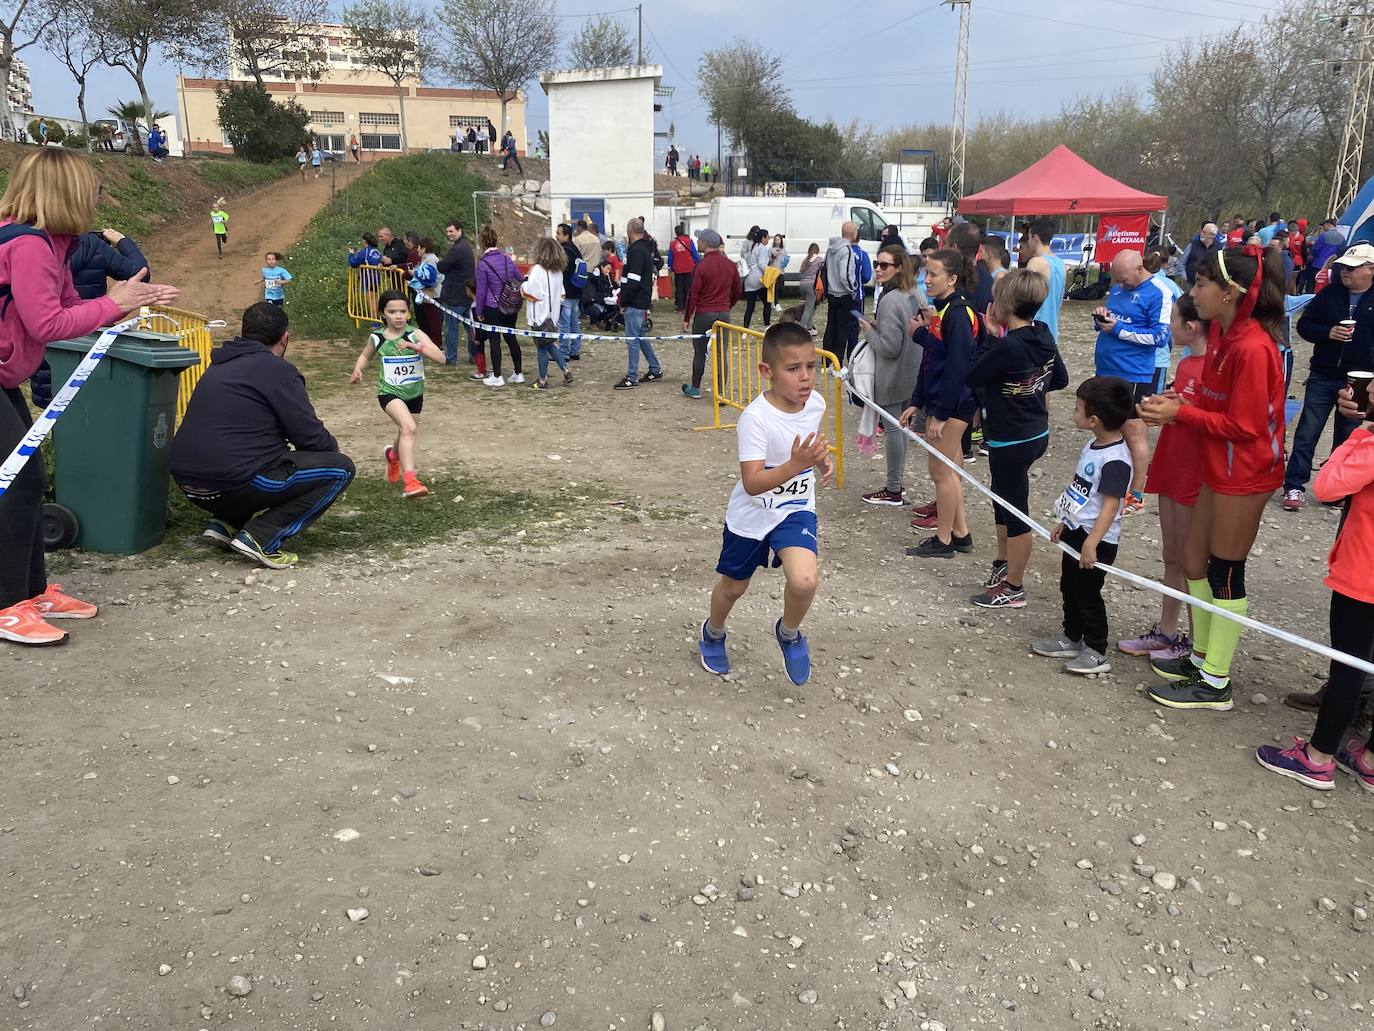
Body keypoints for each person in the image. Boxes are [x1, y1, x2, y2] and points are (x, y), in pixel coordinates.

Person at [0, 149, 176, 645]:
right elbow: (50, 325)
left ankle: (29, 591)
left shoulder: (58, 244)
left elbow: (76, 308)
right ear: (67, 192)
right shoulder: (29, 244)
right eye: (91, 189)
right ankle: (6, 604)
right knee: (17, 482)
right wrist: (113, 302)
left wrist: (128, 302)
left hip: (6, 376)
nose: (97, 199)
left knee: (27, 479)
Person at [1139, 244, 1288, 712]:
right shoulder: (1225, 337)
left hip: (1245, 472)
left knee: (1225, 571)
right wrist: (1178, 407)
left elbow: (1245, 428)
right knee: (1191, 558)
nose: (1193, 294)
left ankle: (1216, 680)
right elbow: (1217, 408)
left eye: (1201, 284)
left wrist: (1183, 414)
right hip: (1217, 466)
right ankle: (1200, 657)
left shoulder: (1253, 347)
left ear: (1230, 292)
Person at [697, 321, 834, 686]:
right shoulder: (755, 419)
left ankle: (789, 633)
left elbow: (808, 439)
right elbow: (753, 482)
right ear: (766, 371)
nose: (806, 377)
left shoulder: (815, 403)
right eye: (793, 369)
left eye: (811, 366)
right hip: (752, 515)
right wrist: (796, 465)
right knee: (733, 587)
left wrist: (819, 458)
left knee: (805, 580)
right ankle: (713, 632)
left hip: (795, 508)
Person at [170, 301, 352, 567]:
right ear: (285, 337)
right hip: (232, 481)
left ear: (244, 332)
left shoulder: (219, 365)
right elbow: (309, 436)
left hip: (189, 483)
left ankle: (225, 524)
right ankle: (262, 536)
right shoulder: (278, 371)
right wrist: (331, 451)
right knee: (340, 469)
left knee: (254, 455)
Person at [1255, 408, 1374, 791]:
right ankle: (1369, 759)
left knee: (1348, 667)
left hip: (1364, 574)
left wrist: (1358, 434)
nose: (1369, 386)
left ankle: (1317, 757)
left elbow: (1327, 488)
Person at [965, 269, 1069, 608]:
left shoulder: (1008, 345)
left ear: (1003, 305)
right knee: (1001, 498)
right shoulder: (1043, 332)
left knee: (1016, 511)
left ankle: (1014, 587)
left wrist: (992, 336)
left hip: (1012, 439)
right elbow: (1060, 378)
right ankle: (1002, 561)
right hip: (1035, 430)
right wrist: (1031, 389)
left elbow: (974, 375)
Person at [1117, 295, 1210, 662]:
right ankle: (1167, 632)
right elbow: (1186, 407)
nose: (1168, 326)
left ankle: (1197, 641)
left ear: (1191, 326)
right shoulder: (1188, 364)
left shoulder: (1216, 366)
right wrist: (1168, 405)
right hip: (1173, 460)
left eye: (1172, 320)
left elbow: (1212, 420)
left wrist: (1179, 413)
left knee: (1192, 560)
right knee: (1171, 554)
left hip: (1194, 468)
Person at [1030, 376, 1135, 675]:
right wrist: (1065, 522)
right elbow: (1081, 493)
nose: (1072, 414)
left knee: (1088, 594)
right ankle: (1071, 637)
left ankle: (1096, 650)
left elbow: (1111, 506)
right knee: (1069, 587)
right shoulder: (1094, 444)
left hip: (1097, 540)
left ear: (1093, 419)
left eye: (1077, 409)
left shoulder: (1116, 459)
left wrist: (1092, 543)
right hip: (1077, 531)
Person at [1282, 243, 1374, 511]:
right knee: (1308, 431)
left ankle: (1334, 489)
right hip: (1323, 373)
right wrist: (1327, 332)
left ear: (1370, 270)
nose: (1345, 272)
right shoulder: (1329, 294)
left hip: (1359, 379)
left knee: (1346, 436)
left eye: (1353, 268)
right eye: (1343, 267)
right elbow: (1304, 325)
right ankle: (1294, 486)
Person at [901, 248, 980, 558]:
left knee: (940, 470)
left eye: (933, 274)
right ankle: (960, 533)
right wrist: (917, 401)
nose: (926, 279)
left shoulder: (959, 314)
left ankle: (944, 540)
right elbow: (932, 361)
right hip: (942, 402)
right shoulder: (942, 310)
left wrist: (941, 413)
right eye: (925, 274)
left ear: (953, 278)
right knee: (950, 469)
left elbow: (958, 368)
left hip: (955, 404)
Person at [1091, 250, 1172, 514]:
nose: (1121, 285)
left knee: (1133, 432)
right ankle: (1109, 484)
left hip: (1134, 373)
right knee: (1106, 428)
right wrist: (1102, 318)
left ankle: (1136, 494)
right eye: (1118, 280)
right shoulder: (1118, 287)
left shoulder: (1158, 291)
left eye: (1125, 280)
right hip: (1106, 367)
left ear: (1140, 269)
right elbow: (1114, 317)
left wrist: (1118, 330)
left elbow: (1159, 337)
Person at [349, 290, 445, 498]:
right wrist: (358, 369)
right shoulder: (377, 338)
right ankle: (410, 481)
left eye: (402, 311)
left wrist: (415, 347)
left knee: (405, 431)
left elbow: (441, 358)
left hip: (415, 394)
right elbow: (365, 355)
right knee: (409, 427)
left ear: (408, 313)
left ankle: (393, 456)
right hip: (389, 393)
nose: (398, 316)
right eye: (392, 312)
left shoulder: (415, 334)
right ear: (382, 314)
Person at [857, 246, 923, 508]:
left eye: (885, 265)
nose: (878, 269)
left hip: (893, 373)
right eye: (877, 264)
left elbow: (889, 347)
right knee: (903, 428)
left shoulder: (889, 299)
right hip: (914, 371)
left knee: (894, 429)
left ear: (899, 268)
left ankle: (893, 489)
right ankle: (896, 485)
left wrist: (869, 332)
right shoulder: (915, 293)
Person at [681, 229, 741, 399]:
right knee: (721, 352)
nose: (697, 242)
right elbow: (737, 289)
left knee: (700, 352)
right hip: (723, 313)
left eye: (699, 240)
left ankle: (695, 388)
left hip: (704, 314)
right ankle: (721, 393)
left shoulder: (701, 266)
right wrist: (728, 305)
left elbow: (693, 294)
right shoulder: (730, 265)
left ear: (705, 244)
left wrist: (687, 318)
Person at [614, 217, 662, 389]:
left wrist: (623, 301)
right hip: (642, 300)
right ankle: (655, 368)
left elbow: (632, 281)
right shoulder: (645, 249)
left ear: (629, 232)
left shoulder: (636, 252)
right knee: (641, 337)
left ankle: (632, 376)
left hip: (635, 301)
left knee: (632, 339)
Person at [473, 224, 523, 387]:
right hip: (509, 304)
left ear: (482, 243)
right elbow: (519, 277)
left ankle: (497, 375)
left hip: (492, 306)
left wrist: (479, 311)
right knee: (511, 338)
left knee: (494, 341)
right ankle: (518, 372)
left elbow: (480, 292)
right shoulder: (507, 259)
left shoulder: (483, 264)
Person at [523, 236, 572, 390]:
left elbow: (530, 292)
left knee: (542, 347)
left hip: (539, 315)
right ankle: (566, 370)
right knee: (549, 344)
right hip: (553, 316)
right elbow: (562, 295)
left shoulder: (537, 270)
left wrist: (524, 282)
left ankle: (542, 380)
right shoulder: (559, 272)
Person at [436, 220, 476, 368]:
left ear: (460, 230)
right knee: (470, 328)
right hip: (466, 294)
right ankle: (474, 355)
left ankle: (451, 357)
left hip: (456, 296)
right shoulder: (465, 246)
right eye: (447, 232)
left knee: (451, 328)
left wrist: (440, 262)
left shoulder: (458, 249)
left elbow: (443, 266)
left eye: (451, 231)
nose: (449, 234)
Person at [1144, 249, 1184, 393]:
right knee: (1152, 401)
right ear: (1166, 264)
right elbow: (1186, 309)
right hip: (1159, 354)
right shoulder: (1170, 286)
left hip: (1132, 355)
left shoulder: (1135, 282)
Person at [1022, 219, 1065, 342]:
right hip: (1051, 331)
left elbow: (1023, 296)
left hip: (1035, 331)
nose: (1028, 242)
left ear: (1035, 237)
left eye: (1029, 237)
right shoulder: (1060, 263)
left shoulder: (1036, 262)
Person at [821, 226, 858, 359]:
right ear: (853, 233)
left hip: (831, 293)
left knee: (831, 327)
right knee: (843, 329)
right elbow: (845, 274)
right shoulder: (847, 250)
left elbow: (824, 268)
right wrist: (853, 289)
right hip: (843, 294)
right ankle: (838, 361)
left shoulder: (830, 248)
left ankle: (826, 361)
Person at [555, 223, 585, 363]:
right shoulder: (575, 249)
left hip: (567, 292)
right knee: (574, 322)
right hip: (577, 291)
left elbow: (561, 269)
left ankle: (563, 352)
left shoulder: (566, 251)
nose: (556, 235)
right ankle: (575, 350)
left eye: (559, 233)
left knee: (564, 324)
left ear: (567, 235)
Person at [409, 237, 443, 345]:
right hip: (427, 294)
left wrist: (415, 274)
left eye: (418, 248)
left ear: (424, 248)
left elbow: (429, 278)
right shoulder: (426, 259)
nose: (417, 251)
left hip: (432, 295)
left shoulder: (431, 260)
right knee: (428, 320)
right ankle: (431, 342)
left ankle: (437, 344)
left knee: (434, 322)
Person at [741, 227, 772, 329]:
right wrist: (771, 272)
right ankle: (767, 325)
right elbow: (762, 264)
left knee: (750, 306)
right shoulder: (762, 248)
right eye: (767, 237)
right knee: (767, 303)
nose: (768, 240)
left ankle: (745, 328)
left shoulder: (752, 247)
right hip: (758, 279)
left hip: (749, 279)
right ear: (763, 238)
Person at [668, 223, 698, 313]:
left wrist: (671, 267)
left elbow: (670, 257)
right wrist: (696, 263)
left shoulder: (673, 244)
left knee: (679, 288)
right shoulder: (689, 241)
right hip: (689, 268)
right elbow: (694, 254)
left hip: (678, 269)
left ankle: (680, 307)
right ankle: (688, 305)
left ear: (676, 233)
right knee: (688, 287)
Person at [797, 242, 822, 334]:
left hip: (802, 284)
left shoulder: (805, 260)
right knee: (808, 308)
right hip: (811, 285)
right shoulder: (819, 260)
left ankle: (809, 327)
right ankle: (802, 328)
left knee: (811, 306)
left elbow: (800, 273)